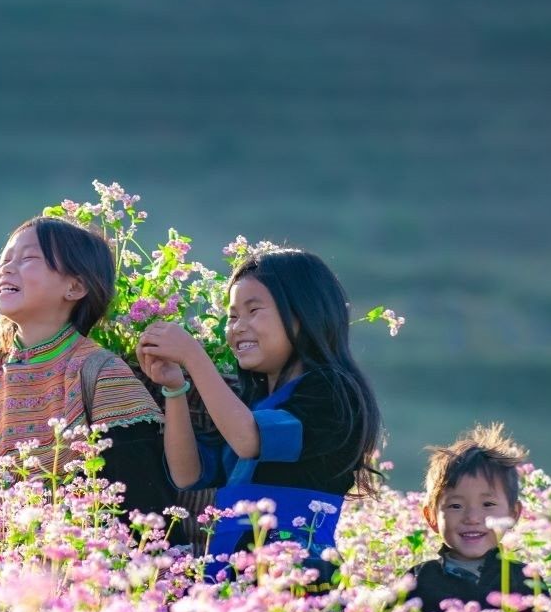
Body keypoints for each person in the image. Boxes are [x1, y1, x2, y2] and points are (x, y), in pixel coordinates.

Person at [136, 249, 382, 584]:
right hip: (227, 568)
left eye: (253, 311)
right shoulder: (251, 405)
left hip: (294, 572)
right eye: (233, 316)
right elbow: (187, 473)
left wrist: (194, 356)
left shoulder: (333, 391)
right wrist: (175, 389)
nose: (238, 327)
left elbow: (250, 440)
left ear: (303, 314)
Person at [0, 216, 177, 525]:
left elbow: (140, 503)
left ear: (75, 286)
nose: (6, 268)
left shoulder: (102, 374)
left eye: (29, 258)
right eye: (4, 259)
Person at [405, 423, 537, 612]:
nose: (472, 518)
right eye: (455, 506)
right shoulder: (419, 580)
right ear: (431, 517)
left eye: (488, 505)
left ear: (513, 513)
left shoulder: (525, 580)